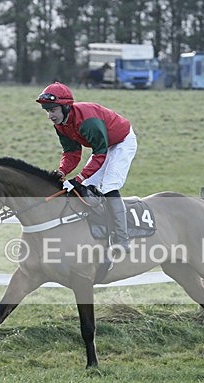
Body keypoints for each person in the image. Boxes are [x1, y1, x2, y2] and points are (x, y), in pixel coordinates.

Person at [36, 82, 137, 254]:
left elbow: (100, 154)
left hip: (122, 142)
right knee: (87, 187)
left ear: (66, 107)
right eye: (47, 111)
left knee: (109, 186)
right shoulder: (60, 124)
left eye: (52, 110)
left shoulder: (88, 122)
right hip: (103, 147)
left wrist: (78, 178)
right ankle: (97, 229)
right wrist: (62, 171)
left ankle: (122, 238)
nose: (49, 116)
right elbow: (72, 153)